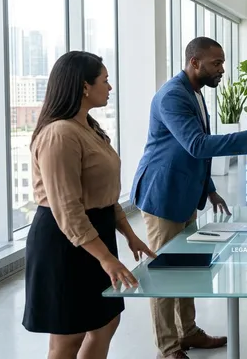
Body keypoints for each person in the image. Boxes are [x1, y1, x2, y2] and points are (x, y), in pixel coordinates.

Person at [132, 37, 247, 359]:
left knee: (186, 267)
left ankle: (188, 332)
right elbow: (197, 145)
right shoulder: (173, 96)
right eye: (216, 63)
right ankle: (168, 347)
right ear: (195, 63)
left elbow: (192, 152)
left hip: (185, 191)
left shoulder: (193, 93)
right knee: (164, 274)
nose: (222, 70)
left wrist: (209, 188)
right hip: (163, 194)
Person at [23, 51, 156, 359]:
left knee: (106, 322)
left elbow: (104, 194)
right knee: (68, 337)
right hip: (64, 244)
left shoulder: (89, 128)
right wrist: (106, 258)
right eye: (105, 81)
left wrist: (128, 234)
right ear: (84, 86)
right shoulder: (60, 134)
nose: (110, 87)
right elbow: (68, 210)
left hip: (94, 233)